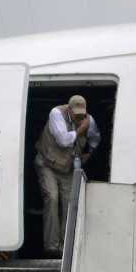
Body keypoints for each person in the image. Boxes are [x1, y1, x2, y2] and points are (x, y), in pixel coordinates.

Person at [34, 94, 100, 255]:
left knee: (69, 202)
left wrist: (89, 154)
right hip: (47, 163)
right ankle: (52, 246)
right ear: (69, 108)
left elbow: (95, 138)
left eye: (82, 113)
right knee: (52, 197)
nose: (79, 116)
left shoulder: (89, 121)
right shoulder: (56, 113)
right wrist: (80, 131)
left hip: (67, 167)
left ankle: (65, 246)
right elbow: (63, 140)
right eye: (75, 112)